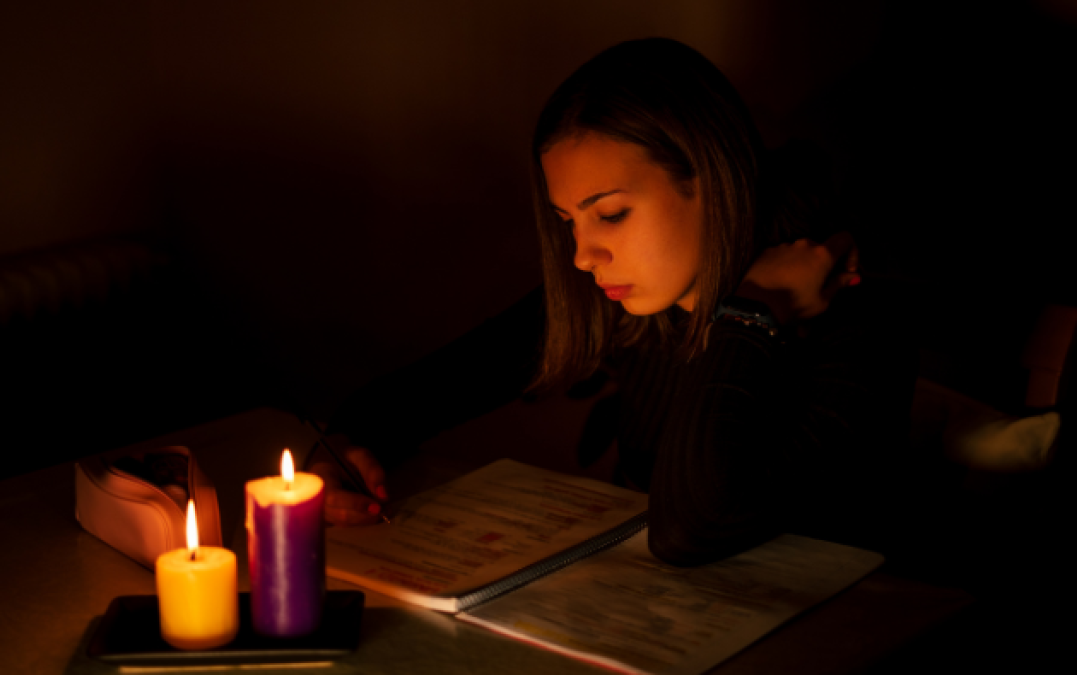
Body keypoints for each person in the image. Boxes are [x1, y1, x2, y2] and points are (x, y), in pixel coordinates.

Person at [309, 38, 916, 567]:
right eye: (567, 220)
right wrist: (342, 451)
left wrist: (754, 310)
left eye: (611, 214)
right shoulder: (623, 296)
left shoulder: (851, 311)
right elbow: (427, 390)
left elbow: (692, 526)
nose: (582, 254)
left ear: (713, 178)